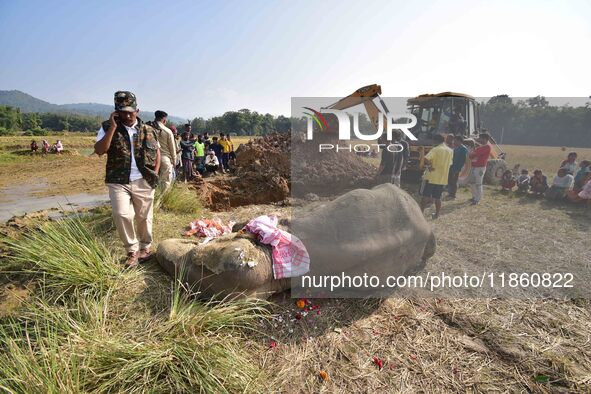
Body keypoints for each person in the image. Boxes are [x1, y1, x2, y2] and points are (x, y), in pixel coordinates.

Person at [93, 91, 160, 267]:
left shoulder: (148, 129)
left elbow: (157, 152)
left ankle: (145, 248)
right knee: (121, 214)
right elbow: (100, 150)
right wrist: (113, 127)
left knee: (144, 217)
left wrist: (154, 174)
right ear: (116, 112)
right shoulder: (107, 127)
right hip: (118, 180)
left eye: (131, 111)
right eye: (123, 111)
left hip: (143, 180)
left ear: (137, 110)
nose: (127, 115)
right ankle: (132, 250)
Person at [419, 134, 453, 219]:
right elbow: (450, 163)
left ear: (436, 141)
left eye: (433, 141)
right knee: (438, 197)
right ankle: (437, 214)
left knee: (425, 196)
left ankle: (420, 215)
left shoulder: (436, 149)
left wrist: (430, 166)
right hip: (442, 178)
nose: (432, 142)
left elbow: (426, 158)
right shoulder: (450, 151)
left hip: (432, 177)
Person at [147, 110, 177, 190]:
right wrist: (174, 162)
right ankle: (162, 200)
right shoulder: (167, 131)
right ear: (164, 120)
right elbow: (172, 149)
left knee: (151, 181)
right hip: (164, 159)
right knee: (165, 182)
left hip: (150, 159)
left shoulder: (148, 128)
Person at [467, 133, 492, 205]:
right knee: (472, 182)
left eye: (480, 138)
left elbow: (473, 155)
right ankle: (474, 197)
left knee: (478, 183)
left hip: (480, 168)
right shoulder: (481, 147)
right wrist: (472, 153)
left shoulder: (487, 147)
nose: (478, 139)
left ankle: (477, 199)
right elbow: (472, 156)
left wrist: (471, 152)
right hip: (474, 166)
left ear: (484, 139)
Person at [447, 135, 468, 199]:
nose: (454, 142)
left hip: (456, 168)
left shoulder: (463, 149)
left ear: (459, 141)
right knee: (450, 181)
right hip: (451, 166)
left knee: (454, 181)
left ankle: (453, 195)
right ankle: (450, 193)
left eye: (455, 140)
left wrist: (458, 169)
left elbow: (462, 160)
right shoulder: (456, 147)